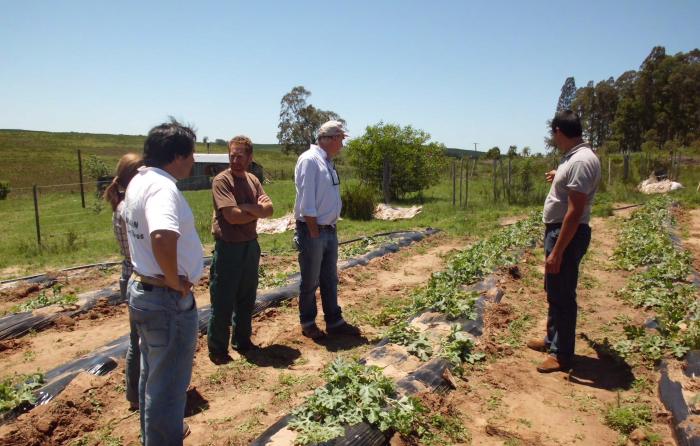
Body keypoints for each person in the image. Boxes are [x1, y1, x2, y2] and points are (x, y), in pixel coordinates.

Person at [124, 120, 203, 445]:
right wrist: (176, 282)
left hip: (144, 290)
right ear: (175, 156)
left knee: (151, 378)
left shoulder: (138, 182)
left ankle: (151, 437)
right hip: (166, 300)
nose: (194, 161)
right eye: (190, 154)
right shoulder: (162, 188)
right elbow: (161, 235)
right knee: (168, 388)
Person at [528, 110, 601, 373]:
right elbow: (572, 185)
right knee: (554, 290)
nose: (552, 138)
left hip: (566, 234)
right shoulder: (574, 159)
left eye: (552, 133)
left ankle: (562, 355)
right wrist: (558, 175)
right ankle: (552, 340)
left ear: (559, 131)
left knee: (563, 294)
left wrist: (558, 251)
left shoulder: (581, 161)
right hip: (559, 232)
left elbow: (575, 210)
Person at [208, 135, 273, 364]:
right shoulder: (221, 181)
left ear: (250, 157)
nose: (235, 160)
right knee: (223, 301)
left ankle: (242, 342)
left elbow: (270, 210)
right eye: (232, 155)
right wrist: (255, 209)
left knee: (247, 298)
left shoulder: (253, 180)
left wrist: (246, 207)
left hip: (250, 246)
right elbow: (232, 217)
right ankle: (218, 350)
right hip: (228, 248)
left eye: (240, 155)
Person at [293, 120, 361, 339]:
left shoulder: (327, 162)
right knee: (311, 279)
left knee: (330, 278)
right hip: (314, 230)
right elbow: (307, 200)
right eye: (341, 138)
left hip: (329, 230)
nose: (342, 143)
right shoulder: (310, 161)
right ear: (329, 139)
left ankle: (334, 320)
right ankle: (308, 321)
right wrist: (313, 231)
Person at [102, 153, 143, 411]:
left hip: (126, 274)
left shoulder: (120, 207)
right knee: (140, 342)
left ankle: (134, 394)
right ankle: (138, 395)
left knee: (136, 338)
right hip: (138, 276)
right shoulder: (131, 209)